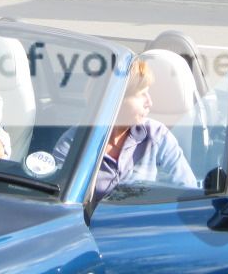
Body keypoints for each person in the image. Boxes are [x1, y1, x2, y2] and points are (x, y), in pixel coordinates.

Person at [53, 58, 196, 202]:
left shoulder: (158, 136)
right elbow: (61, 203)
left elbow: (187, 195)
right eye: (141, 94)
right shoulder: (73, 145)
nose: (149, 102)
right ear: (116, 99)